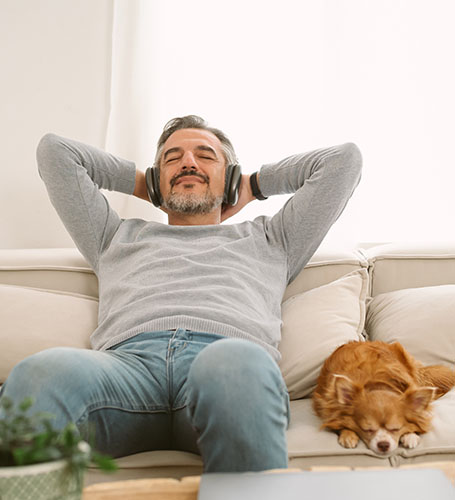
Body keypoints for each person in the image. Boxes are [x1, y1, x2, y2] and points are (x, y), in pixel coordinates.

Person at [0, 115, 362, 472]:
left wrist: (253, 185)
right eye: (172, 159)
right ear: (158, 178)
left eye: (205, 156)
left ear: (231, 175)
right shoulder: (113, 237)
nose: (188, 162)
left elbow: (343, 161)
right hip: (127, 372)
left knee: (233, 364)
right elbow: (55, 152)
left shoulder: (274, 239)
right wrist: (142, 183)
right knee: (40, 373)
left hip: (224, 367)